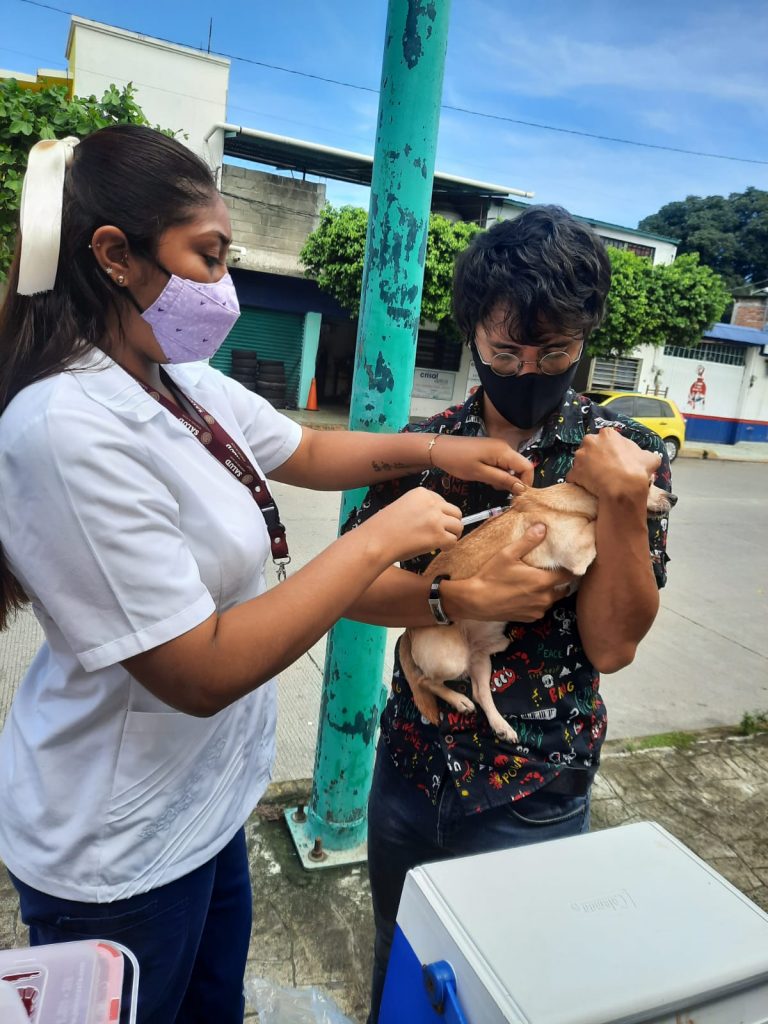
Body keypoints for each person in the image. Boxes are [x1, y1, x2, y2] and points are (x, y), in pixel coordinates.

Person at [0, 126, 529, 1024]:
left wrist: (446, 450)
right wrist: (374, 541)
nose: (224, 286)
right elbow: (198, 671)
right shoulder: (66, 428)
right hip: (116, 857)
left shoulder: (178, 378)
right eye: (208, 256)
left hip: (203, 813)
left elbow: (311, 449)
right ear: (114, 255)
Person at [342, 206, 673, 1022]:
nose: (529, 369)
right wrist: (451, 597)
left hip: (535, 781)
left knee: (512, 991)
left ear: (587, 337)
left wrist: (625, 502)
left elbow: (613, 644)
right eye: (505, 351)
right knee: (402, 959)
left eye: (556, 350)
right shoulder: (430, 444)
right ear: (472, 338)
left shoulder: (623, 452)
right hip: (413, 768)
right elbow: (348, 584)